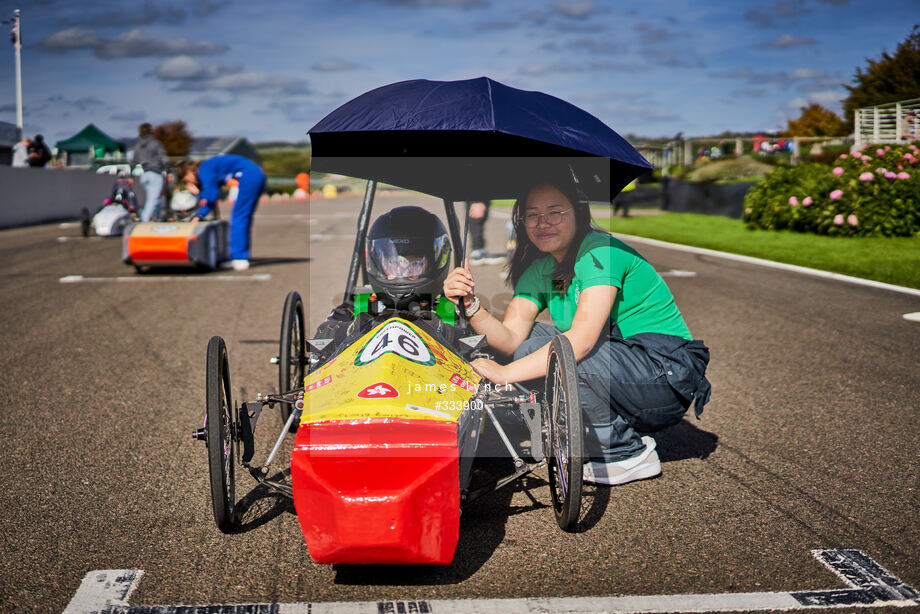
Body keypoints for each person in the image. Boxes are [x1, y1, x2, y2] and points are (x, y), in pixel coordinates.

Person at [443, 176, 711, 486]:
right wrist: (471, 304)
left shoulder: (600, 252)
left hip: (664, 375)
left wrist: (503, 375)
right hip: (620, 367)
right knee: (530, 345)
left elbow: (581, 342)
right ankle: (559, 428)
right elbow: (510, 340)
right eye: (532, 214)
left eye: (555, 212)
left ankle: (625, 453)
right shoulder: (540, 268)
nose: (543, 223)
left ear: (578, 213)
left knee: (567, 355)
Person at [177, 154, 266, 271]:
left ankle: (239, 258)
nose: (189, 183)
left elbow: (212, 196)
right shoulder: (207, 167)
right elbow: (211, 200)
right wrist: (199, 215)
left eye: (186, 180)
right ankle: (240, 256)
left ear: (188, 173)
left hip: (248, 176)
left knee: (239, 218)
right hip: (254, 174)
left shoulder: (204, 170)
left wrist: (197, 194)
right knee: (242, 216)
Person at [131, 123, 170, 222]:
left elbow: (133, 161)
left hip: (144, 175)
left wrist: (130, 176)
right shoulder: (155, 143)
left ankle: (158, 219)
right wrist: (168, 171)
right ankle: (144, 220)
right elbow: (164, 158)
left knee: (155, 199)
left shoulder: (138, 145)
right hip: (155, 174)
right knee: (153, 199)